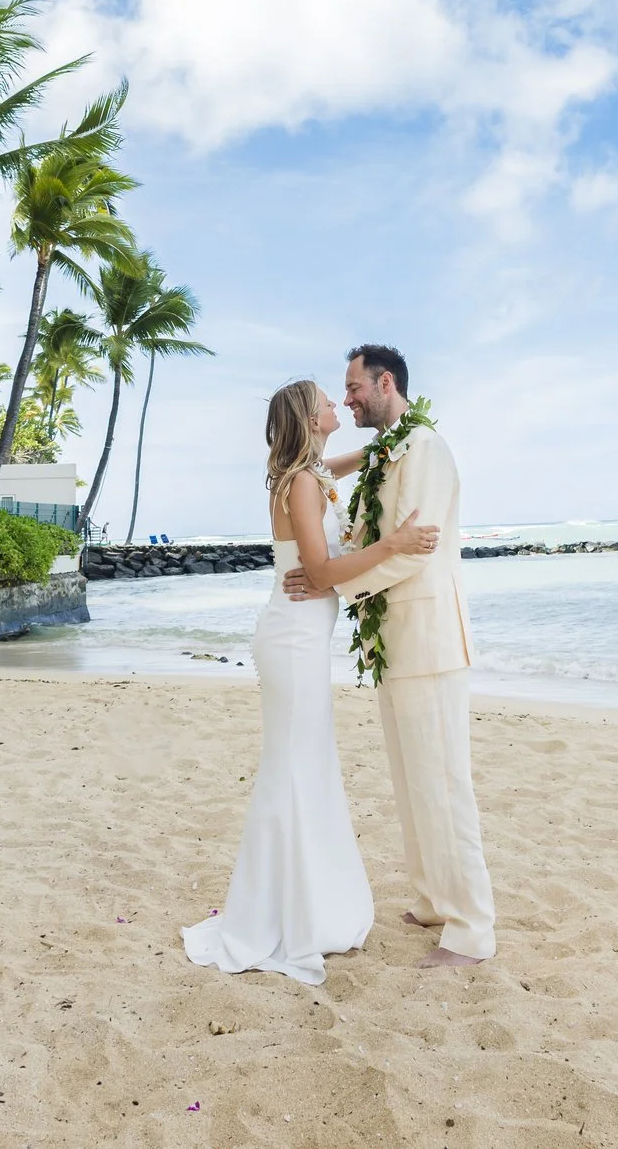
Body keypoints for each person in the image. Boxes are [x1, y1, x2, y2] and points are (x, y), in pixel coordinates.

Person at [180, 379, 438, 985]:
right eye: (326, 400)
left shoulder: (311, 473)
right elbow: (319, 572)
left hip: (300, 639)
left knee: (308, 768)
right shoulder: (301, 482)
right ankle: (277, 912)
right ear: (309, 416)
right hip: (292, 641)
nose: (335, 406)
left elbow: (338, 467)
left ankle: (303, 903)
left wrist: (382, 451)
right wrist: (394, 544)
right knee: (292, 771)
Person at [285, 344, 494, 967]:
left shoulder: (425, 449)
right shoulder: (384, 451)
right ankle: (433, 899)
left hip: (429, 640)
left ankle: (472, 928)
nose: (346, 398)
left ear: (385, 383)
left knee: (445, 783)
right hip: (395, 641)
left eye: (353, 388)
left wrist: (330, 581)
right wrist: (338, 559)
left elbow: (414, 550)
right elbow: (372, 537)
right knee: (412, 782)